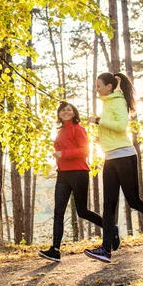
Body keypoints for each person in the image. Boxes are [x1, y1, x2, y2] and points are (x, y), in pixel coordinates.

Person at [84, 72, 143, 263]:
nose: (96, 88)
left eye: (98, 85)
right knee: (109, 205)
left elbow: (120, 126)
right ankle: (105, 250)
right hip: (109, 157)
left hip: (125, 156)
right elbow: (113, 131)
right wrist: (102, 139)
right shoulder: (108, 103)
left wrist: (98, 121)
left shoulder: (118, 101)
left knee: (134, 201)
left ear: (109, 86)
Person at [39, 101, 119, 262]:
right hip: (62, 175)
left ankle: (111, 228)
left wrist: (64, 154)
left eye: (69, 110)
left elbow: (85, 151)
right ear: (59, 114)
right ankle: (55, 250)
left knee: (82, 211)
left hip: (78, 172)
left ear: (74, 113)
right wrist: (60, 156)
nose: (66, 112)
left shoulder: (78, 129)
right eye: (63, 110)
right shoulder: (61, 131)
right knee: (58, 211)